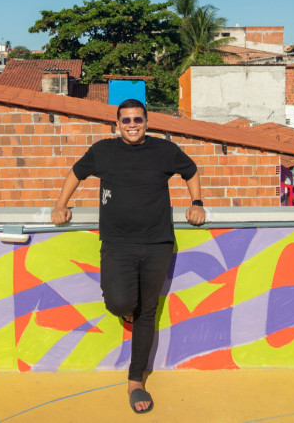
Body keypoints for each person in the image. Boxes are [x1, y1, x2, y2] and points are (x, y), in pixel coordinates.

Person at [51, 98, 206, 414]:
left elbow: (190, 172)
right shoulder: (103, 151)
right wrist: (60, 205)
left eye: (138, 119)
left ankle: (136, 380)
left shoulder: (164, 151)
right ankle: (126, 313)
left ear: (147, 122)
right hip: (117, 244)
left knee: (148, 311)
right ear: (116, 124)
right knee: (119, 303)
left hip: (157, 243)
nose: (132, 125)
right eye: (126, 120)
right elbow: (75, 174)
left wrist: (197, 203)